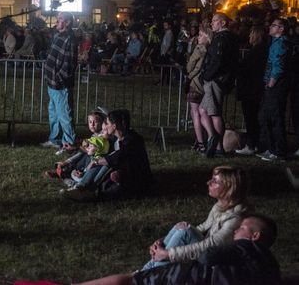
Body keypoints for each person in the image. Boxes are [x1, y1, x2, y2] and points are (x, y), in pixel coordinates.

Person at [74, 214, 281, 285]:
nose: (236, 231)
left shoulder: (247, 247)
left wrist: (175, 256)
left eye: (242, 228)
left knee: (133, 279)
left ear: (255, 236)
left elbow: (208, 256)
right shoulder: (270, 265)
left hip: (186, 278)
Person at [142, 165, 250, 271]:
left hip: (215, 260)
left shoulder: (236, 217)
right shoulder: (220, 206)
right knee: (182, 227)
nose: (208, 183)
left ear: (229, 188)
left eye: (215, 181)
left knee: (185, 232)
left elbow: (212, 245)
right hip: (208, 250)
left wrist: (168, 254)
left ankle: (145, 275)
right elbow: (202, 228)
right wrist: (163, 240)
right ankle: (144, 271)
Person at [63, 109, 153, 201]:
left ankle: (85, 189)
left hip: (132, 180)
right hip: (120, 173)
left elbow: (116, 157)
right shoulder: (119, 137)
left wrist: (97, 162)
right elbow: (94, 144)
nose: (104, 126)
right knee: (101, 162)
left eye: (107, 123)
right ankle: (82, 187)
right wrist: (76, 146)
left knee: (106, 168)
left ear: (114, 126)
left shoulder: (132, 140)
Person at [198, 14, 239, 157]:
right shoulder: (227, 37)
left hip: (216, 80)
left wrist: (207, 75)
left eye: (215, 21)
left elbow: (218, 60)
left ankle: (219, 146)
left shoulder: (222, 38)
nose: (212, 23)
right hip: (218, 78)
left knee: (214, 112)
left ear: (223, 23)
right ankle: (212, 137)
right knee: (203, 110)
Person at [41, 12, 78, 154]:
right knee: (54, 114)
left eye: (60, 19)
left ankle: (69, 143)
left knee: (64, 115)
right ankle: (55, 139)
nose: (57, 21)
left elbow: (69, 63)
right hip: (52, 82)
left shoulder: (69, 39)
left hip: (60, 84)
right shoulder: (58, 36)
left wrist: (58, 78)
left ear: (67, 22)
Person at [258, 17, 291, 162]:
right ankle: (273, 149)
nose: (270, 27)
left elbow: (278, 65)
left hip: (276, 86)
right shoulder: (276, 42)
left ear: (281, 29)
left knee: (275, 118)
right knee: (269, 117)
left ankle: (279, 152)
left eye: (274, 25)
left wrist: (271, 82)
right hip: (273, 84)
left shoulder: (281, 44)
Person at [44, 110, 105, 181]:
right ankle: (65, 169)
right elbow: (86, 143)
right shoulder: (95, 134)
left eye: (96, 122)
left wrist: (76, 147)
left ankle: (66, 170)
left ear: (102, 123)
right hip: (89, 158)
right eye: (90, 122)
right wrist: (75, 145)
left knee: (81, 153)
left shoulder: (102, 136)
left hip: (93, 160)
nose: (92, 124)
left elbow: (90, 150)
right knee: (79, 152)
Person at [235, 26, 268, 156]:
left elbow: (247, 69)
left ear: (256, 36)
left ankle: (251, 145)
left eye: (251, 34)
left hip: (251, 89)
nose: (249, 36)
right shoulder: (259, 50)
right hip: (253, 88)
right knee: (252, 118)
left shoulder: (257, 51)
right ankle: (254, 143)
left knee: (251, 118)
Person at [185, 26, 212, 153]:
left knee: (195, 112)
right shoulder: (211, 49)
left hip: (195, 83)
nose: (198, 37)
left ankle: (201, 142)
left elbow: (190, 66)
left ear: (207, 37)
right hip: (205, 83)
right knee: (203, 112)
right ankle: (205, 139)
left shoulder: (199, 48)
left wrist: (189, 71)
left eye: (201, 35)